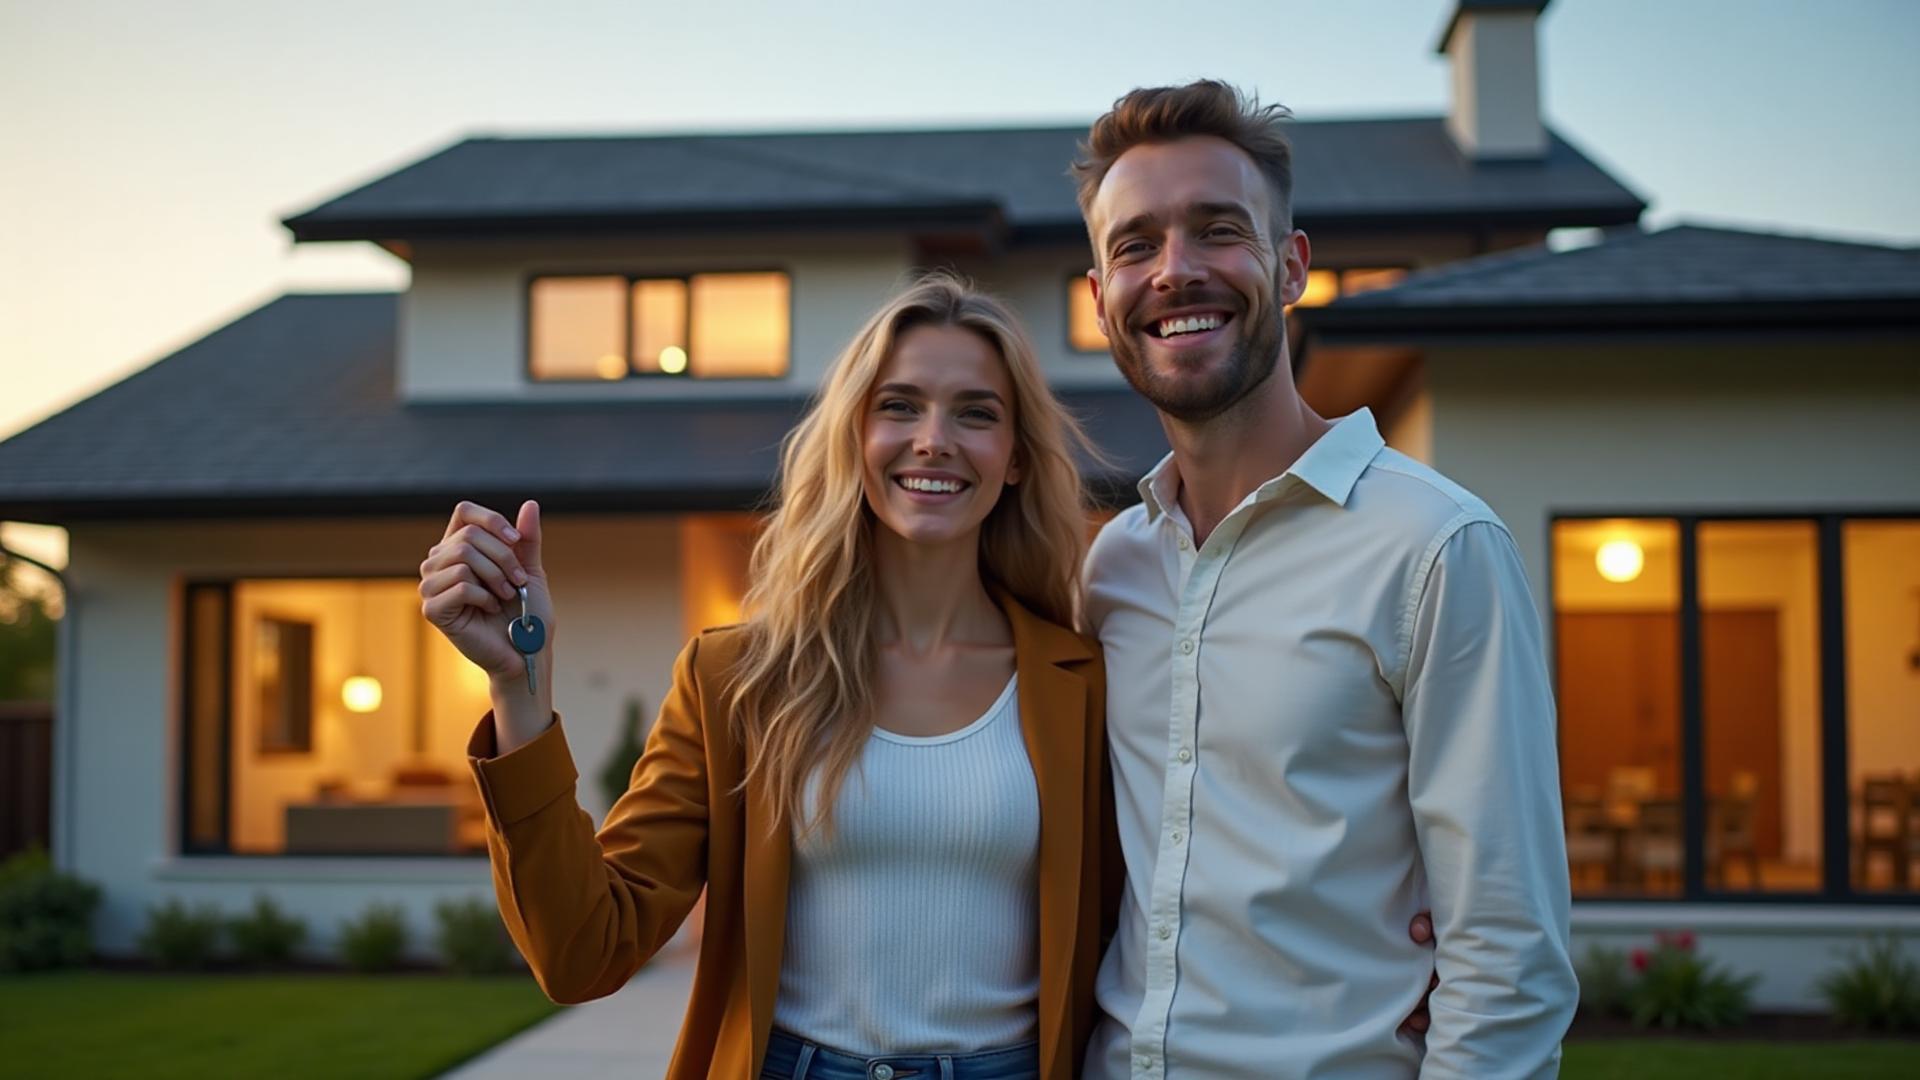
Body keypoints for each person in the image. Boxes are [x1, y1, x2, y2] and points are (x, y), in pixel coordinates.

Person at [420, 274, 1112, 1079]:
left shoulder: (1084, 683)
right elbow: (584, 952)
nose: (933, 438)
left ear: (1018, 457)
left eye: (976, 412)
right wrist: (519, 690)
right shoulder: (736, 680)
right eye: (898, 406)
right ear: (852, 439)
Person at [1072, 81, 1578, 1078]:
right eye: (1135, 245)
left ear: (1292, 266)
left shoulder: (1435, 547)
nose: (1175, 271)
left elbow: (1507, 954)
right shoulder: (1115, 568)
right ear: (1098, 301)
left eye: (1218, 231)